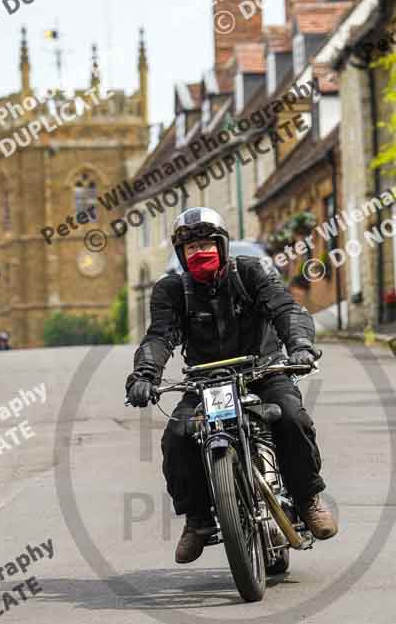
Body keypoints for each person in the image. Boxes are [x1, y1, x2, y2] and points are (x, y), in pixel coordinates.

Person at [125, 208, 338, 564]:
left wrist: (299, 345)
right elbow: (160, 336)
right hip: (205, 381)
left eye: (206, 243)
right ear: (180, 255)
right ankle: (198, 521)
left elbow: (286, 309)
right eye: (190, 247)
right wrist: (145, 375)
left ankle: (307, 498)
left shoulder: (250, 272)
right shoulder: (171, 290)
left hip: (264, 371)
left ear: (222, 244)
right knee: (177, 436)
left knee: (291, 418)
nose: (199, 252)